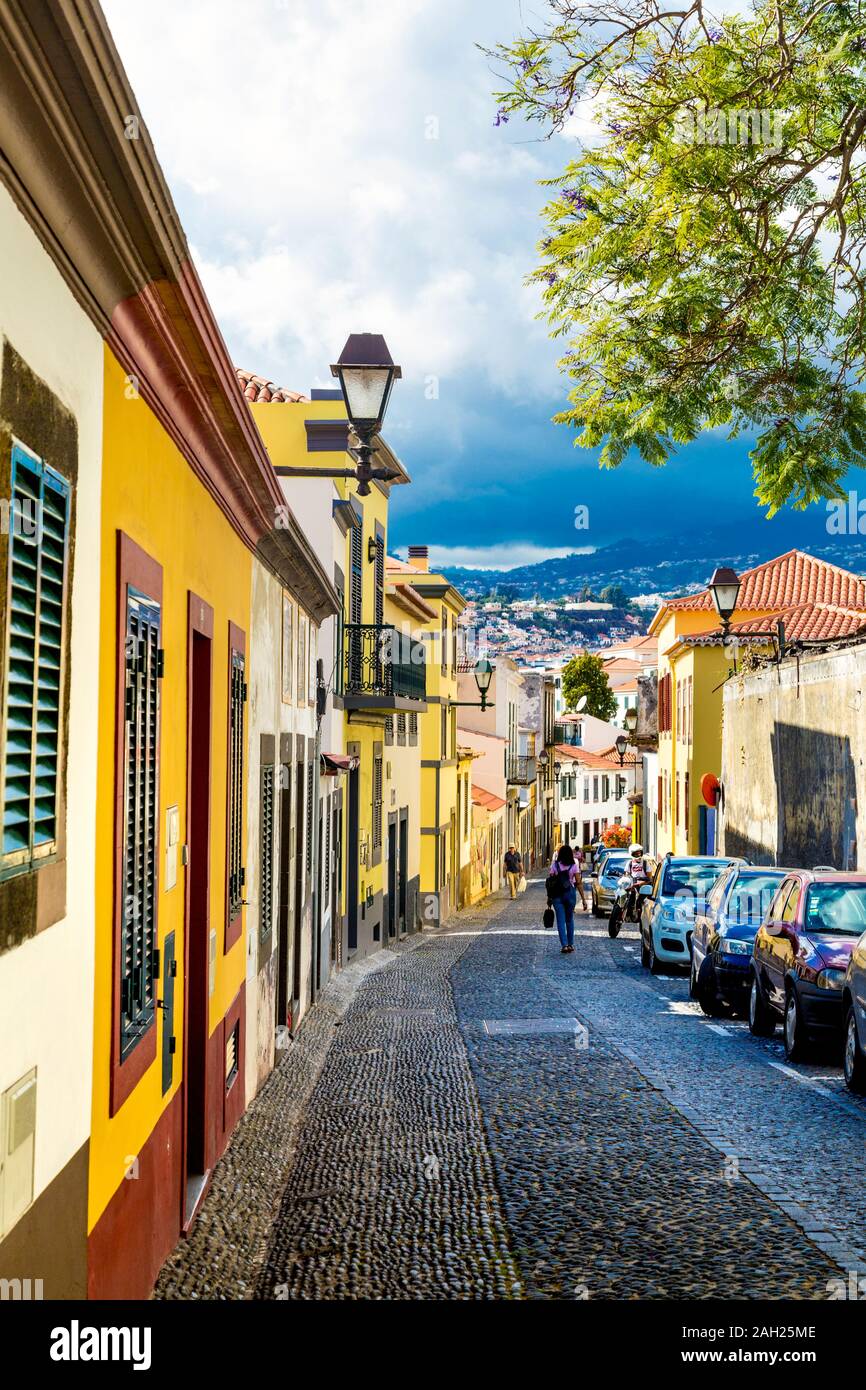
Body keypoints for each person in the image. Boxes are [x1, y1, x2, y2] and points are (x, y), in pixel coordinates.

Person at [547, 844, 580, 953]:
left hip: (557, 895)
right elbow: (578, 883)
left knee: (560, 921)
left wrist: (549, 897)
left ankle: (564, 945)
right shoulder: (574, 866)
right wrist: (583, 899)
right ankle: (570, 944)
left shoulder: (555, 865)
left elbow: (551, 882)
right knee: (569, 919)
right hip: (570, 893)